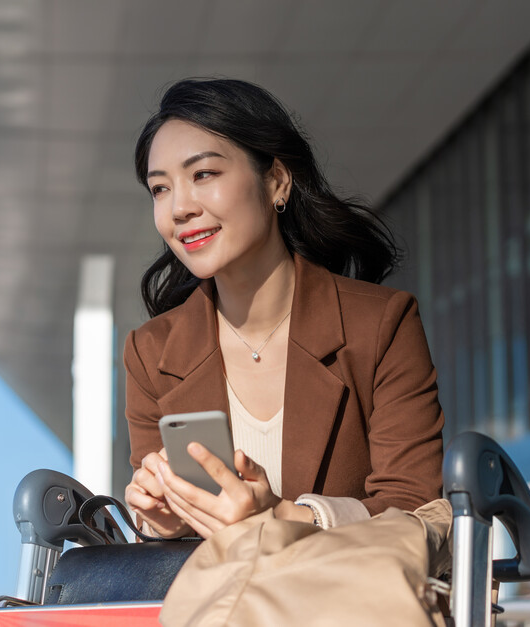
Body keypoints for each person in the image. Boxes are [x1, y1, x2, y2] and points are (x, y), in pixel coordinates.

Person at [123, 78, 445, 540]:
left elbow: (415, 508)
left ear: (276, 180)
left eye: (204, 175)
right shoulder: (150, 353)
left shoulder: (381, 325)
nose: (179, 208)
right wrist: (160, 521)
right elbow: (164, 540)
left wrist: (285, 516)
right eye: (159, 189)